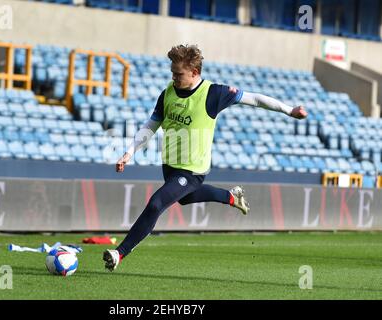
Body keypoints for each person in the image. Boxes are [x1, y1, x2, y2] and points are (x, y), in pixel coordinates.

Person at [103, 44, 307, 271]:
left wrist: (290, 110)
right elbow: (152, 125)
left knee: (156, 204)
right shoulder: (167, 93)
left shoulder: (214, 93)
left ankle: (119, 253)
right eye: (172, 72)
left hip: (193, 169)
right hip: (170, 165)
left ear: (194, 72)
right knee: (184, 199)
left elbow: (255, 99)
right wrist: (129, 152)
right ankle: (230, 197)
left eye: (178, 74)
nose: (174, 77)